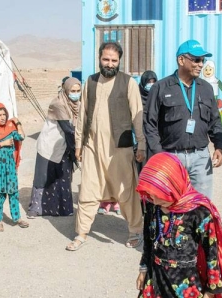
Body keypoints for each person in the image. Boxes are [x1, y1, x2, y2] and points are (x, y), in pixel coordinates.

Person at [66, 41, 145, 251]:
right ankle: (81, 233)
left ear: (119, 61)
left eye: (114, 60)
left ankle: (136, 231)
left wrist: (142, 146)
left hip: (120, 149)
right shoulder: (89, 82)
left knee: (126, 191)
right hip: (92, 147)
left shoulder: (128, 83)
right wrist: (78, 144)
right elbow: (82, 116)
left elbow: (138, 117)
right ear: (99, 59)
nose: (109, 63)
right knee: (88, 191)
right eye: (106, 59)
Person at [135, 152, 222, 298]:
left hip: (185, 286)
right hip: (155, 281)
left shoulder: (198, 212)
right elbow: (148, 241)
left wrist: (211, 290)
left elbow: (211, 252)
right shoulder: (153, 206)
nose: (153, 198)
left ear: (173, 186)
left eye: (159, 194)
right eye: (150, 193)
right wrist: (143, 269)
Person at [144, 39, 222, 200]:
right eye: (196, 60)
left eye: (203, 60)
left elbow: (215, 121)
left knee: (201, 207)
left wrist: (219, 146)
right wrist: (159, 155)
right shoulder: (160, 88)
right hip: (171, 157)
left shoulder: (206, 89)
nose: (201, 64)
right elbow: (149, 123)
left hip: (201, 158)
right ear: (181, 60)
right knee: (171, 208)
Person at [28, 78, 80, 218]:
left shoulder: (77, 105)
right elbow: (68, 129)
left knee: (63, 176)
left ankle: (63, 209)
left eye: (77, 91)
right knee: (43, 176)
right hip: (49, 145)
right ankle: (36, 208)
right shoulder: (58, 104)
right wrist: (77, 150)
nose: (75, 94)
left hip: (64, 146)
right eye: (72, 91)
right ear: (65, 90)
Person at [0, 102, 29, 231]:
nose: (2, 117)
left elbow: (21, 136)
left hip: (9, 166)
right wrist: (2, 144)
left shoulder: (10, 127)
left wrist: (18, 123)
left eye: (4, 114)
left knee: (13, 192)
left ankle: (17, 218)